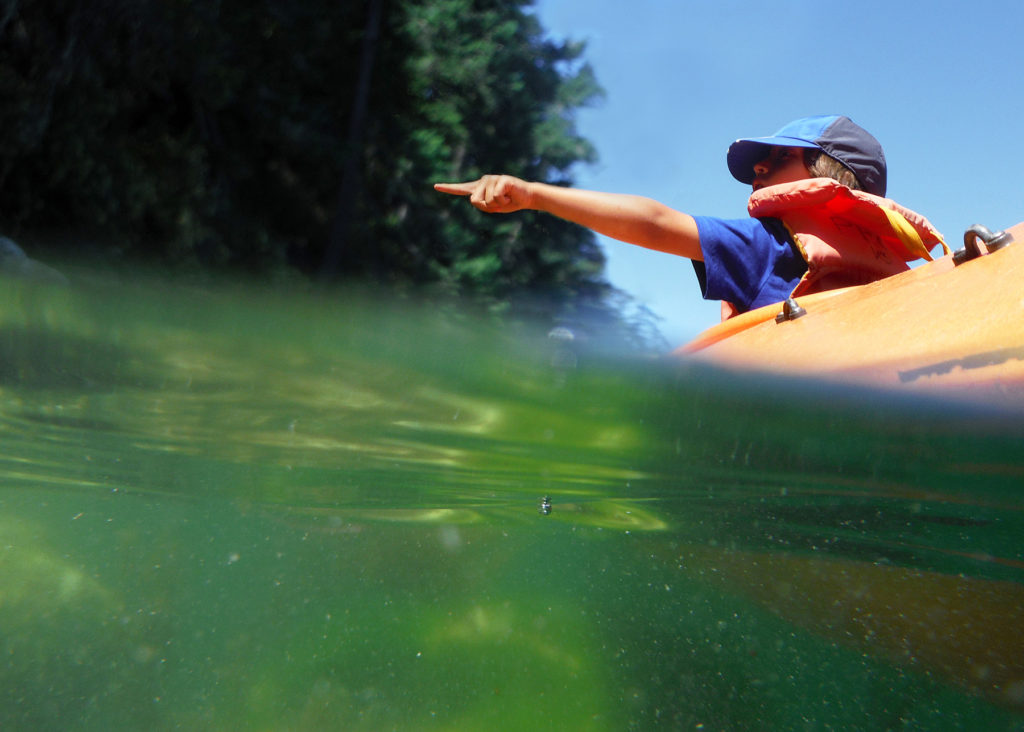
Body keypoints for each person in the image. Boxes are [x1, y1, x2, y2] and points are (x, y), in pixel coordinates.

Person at [434, 115, 945, 320]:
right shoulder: (900, 272)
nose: (757, 170)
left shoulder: (770, 247)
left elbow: (655, 222)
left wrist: (534, 195)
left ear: (827, 173)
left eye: (776, 159)